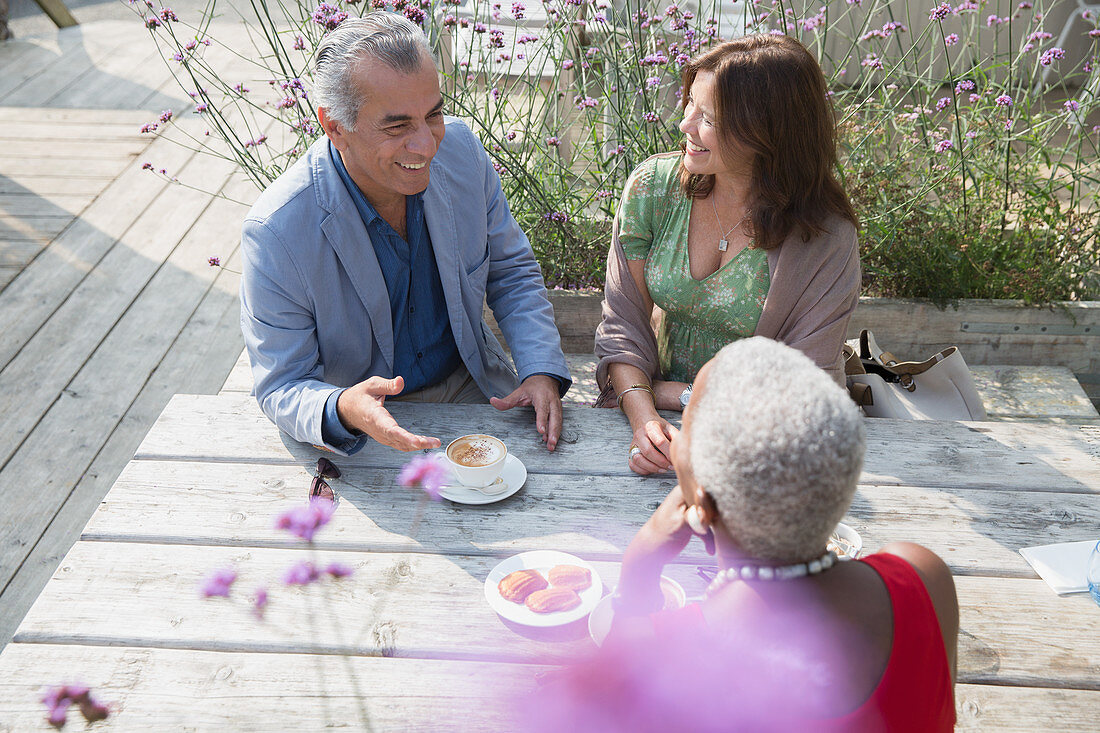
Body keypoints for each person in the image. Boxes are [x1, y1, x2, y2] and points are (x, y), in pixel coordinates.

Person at [544, 338, 956, 730]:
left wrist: (639, 567)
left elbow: (615, 690)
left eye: (686, 428)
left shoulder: (667, 652)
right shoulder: (922, 575)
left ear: (702, 503)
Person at [240, 13, 571, 457]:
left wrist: (540, 369)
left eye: (433, 114)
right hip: (359, 430)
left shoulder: (464, 151)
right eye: (397, 127)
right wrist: (340, 407)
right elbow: (281, 385)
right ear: (334, 126)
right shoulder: (275, 230)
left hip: (478, 390)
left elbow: (511, 273)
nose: (427, 144)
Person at [594, 34, 861, 475]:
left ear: (768, 133)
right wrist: (645, 419)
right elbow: (622, 323)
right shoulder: (653, 188)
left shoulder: (826, 236)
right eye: (689, 104)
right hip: (645, 409)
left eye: (709, 119)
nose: (685, 124)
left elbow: (802, 387)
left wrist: (677, 396)